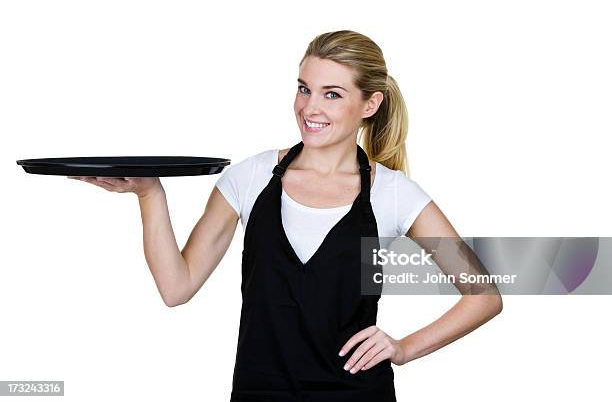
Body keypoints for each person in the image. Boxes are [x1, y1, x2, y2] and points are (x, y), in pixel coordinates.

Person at [68, 30, 503, 401]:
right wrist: (150, 194)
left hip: (354, 394)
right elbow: (175, 287)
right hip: (260, 390)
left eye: (332, 94)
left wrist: (404, 348)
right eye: (304, 88)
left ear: (370, 105)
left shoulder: (393, 194)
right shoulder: (251, 177)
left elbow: (483, 295)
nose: (310, 108)